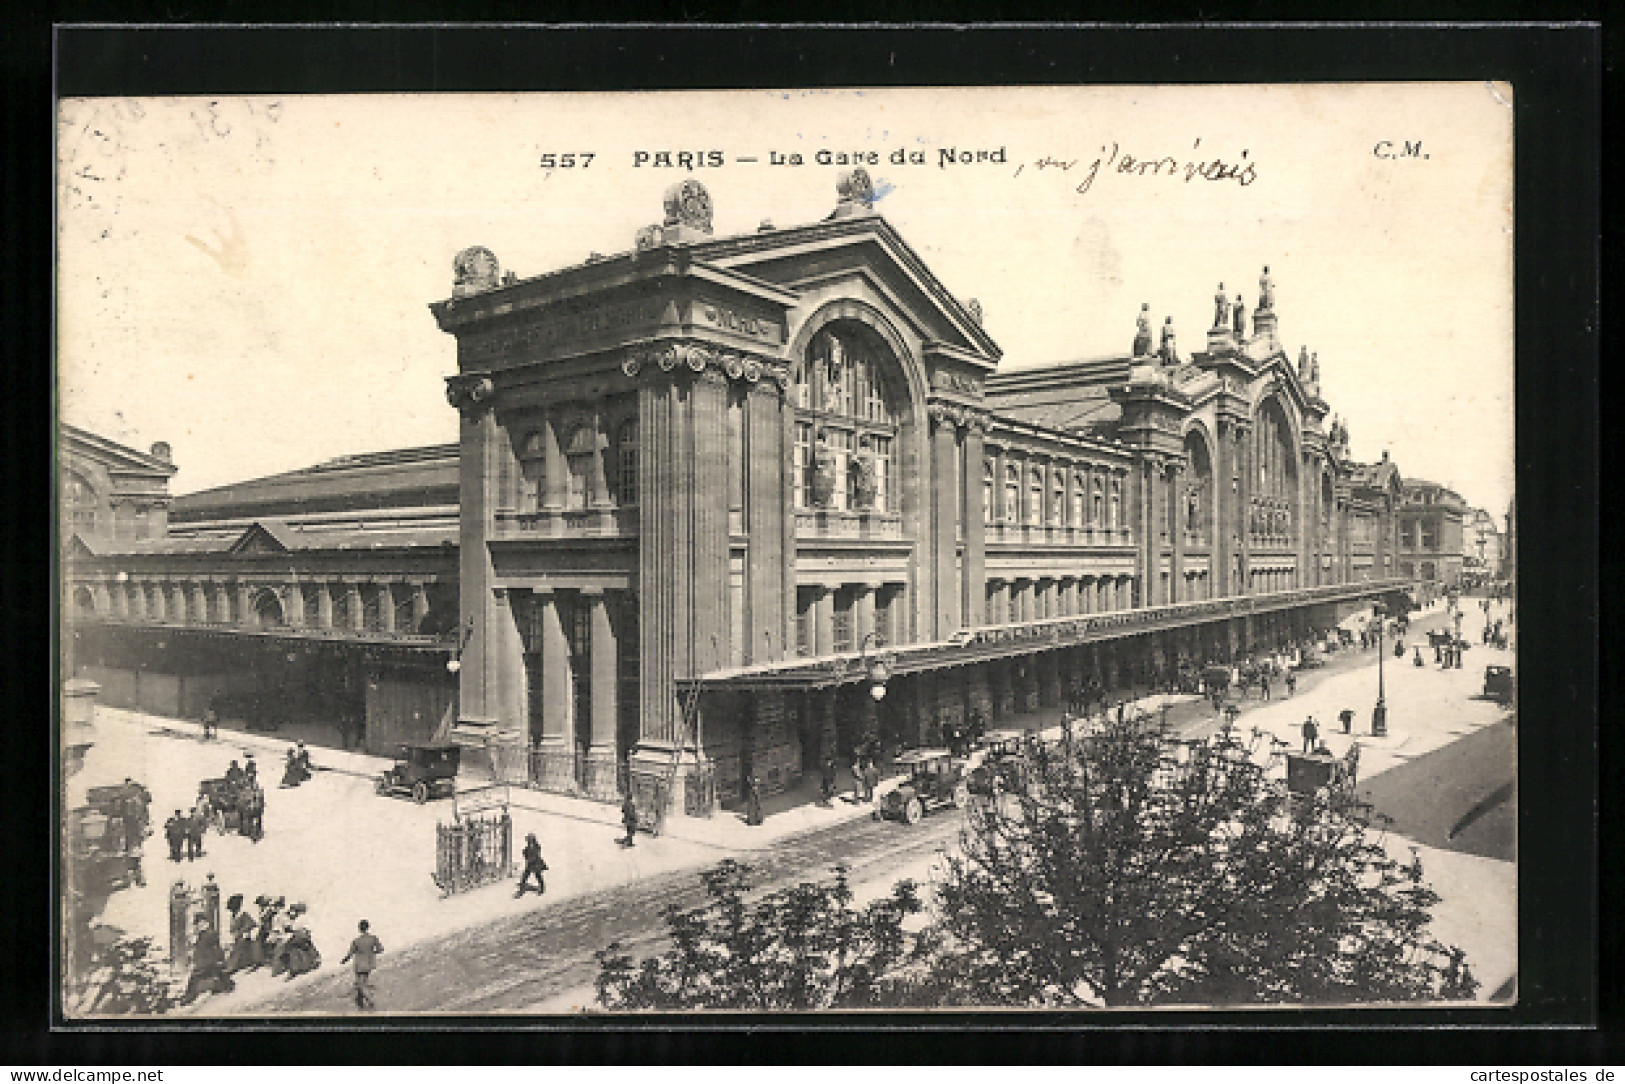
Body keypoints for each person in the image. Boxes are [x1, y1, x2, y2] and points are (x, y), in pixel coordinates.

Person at [341, 920, 383, 1010]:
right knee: (364, 982)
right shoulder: (373, 938)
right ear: (368, 927)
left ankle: (368, 1001)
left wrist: (344, 960)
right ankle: (363, 1001)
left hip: (358, 964)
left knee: (360, 984)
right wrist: (372, 953)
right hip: (369, 963)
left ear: (359, 929)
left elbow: (350, 953)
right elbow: (380, 949)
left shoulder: (356, 941)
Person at [223, 894, 256, 974]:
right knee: (230, 948)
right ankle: (228, 965)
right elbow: (232, 928)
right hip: (236, 938)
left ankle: (231, 967)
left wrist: (241, 931)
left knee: (238, 948)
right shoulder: (233, 916)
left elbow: (252, 924)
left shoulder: (243, 914)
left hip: (244, 938)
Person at [516, 832, 547, 897]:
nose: (528, 841)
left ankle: (542, 888)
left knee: (538, 876)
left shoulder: (536, 847)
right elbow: (527, 854)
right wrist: (525, 853)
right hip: (530, 864)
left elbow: (535, 855)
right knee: (524, 877)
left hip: (535, 864)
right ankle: (521, 891)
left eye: (529, 840)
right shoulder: (529, 847)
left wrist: (529, 857)